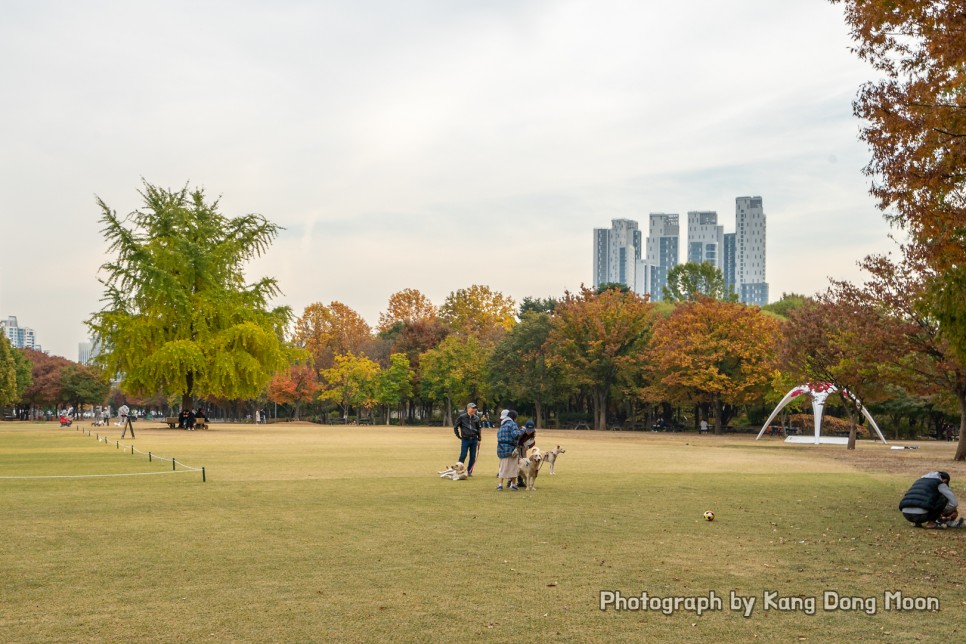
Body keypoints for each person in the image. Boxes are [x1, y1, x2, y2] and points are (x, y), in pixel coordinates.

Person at [899, 471, 964, 529]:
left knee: (922, 498)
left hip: (906, 515)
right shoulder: (940, 483)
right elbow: (954, 503)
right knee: (944, 498)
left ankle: (916, 522)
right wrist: (943, 512)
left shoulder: (919, 481)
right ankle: (931, 523)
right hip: (922, 516)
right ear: (945, 480)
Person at [453, 402, 482, 476]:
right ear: (468, 408)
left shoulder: (476, 418)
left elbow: (479, 429)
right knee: (463, 455)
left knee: (473, 456)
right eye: (473, 408)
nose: (474, 410)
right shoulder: (462, 417)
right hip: (465, 439)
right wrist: (459, 436)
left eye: (475, 408)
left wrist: (479, 439)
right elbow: (455, 427)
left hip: (474, 439)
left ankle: (469, 471)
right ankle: (459, 470)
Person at [496, 411, 523, 491]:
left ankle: (500, 485)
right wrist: (523, 430)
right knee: (513, 467)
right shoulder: (512, 424)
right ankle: (513, 485)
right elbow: (516, 435)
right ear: (514, 418)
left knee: (502, 467)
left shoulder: (502, 425)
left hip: (500, 449)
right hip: (510, 449)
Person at [516, 420, 537, 488]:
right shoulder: (521, 431)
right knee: (516, 464)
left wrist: (528, 446)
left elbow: (533, 442)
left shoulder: (533, 433)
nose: (529, 432)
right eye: (528, 430)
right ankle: (510, 482)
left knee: (523, 464)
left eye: (531, 430)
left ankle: (521, 481)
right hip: (517, 449)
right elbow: (516, 440)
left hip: (524, 449)